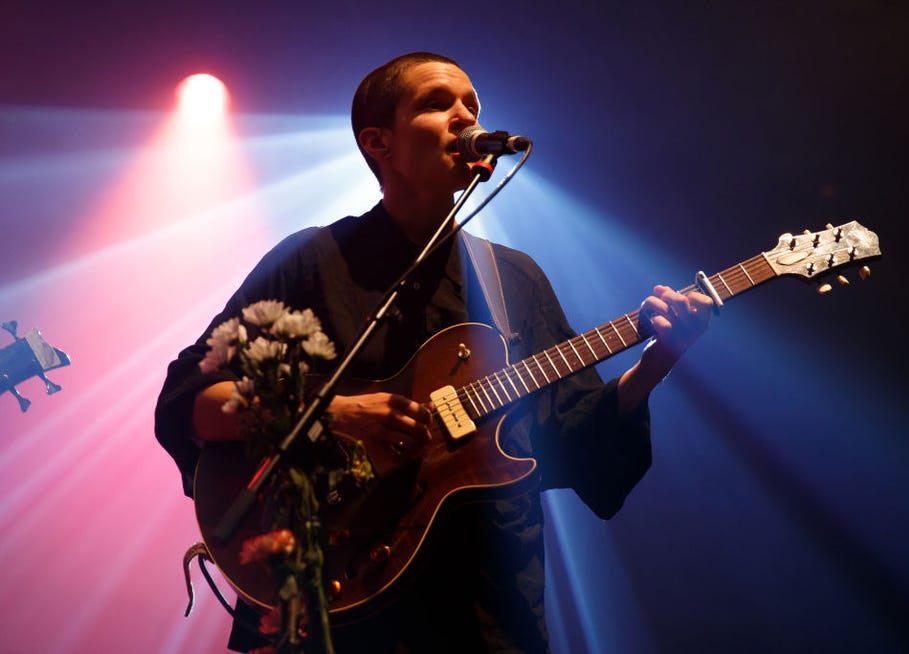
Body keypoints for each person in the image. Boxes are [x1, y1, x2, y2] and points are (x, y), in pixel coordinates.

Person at [155, 51, 713, 653]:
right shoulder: (312, 261)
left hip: (484, 605)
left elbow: (576, 435)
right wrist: (332, 413)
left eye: (471, 103)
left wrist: (656, 364)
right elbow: (189, 402)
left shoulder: (511, 279)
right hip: (334, 602)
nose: (464, 116)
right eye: (436, 103)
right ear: (378, 143)